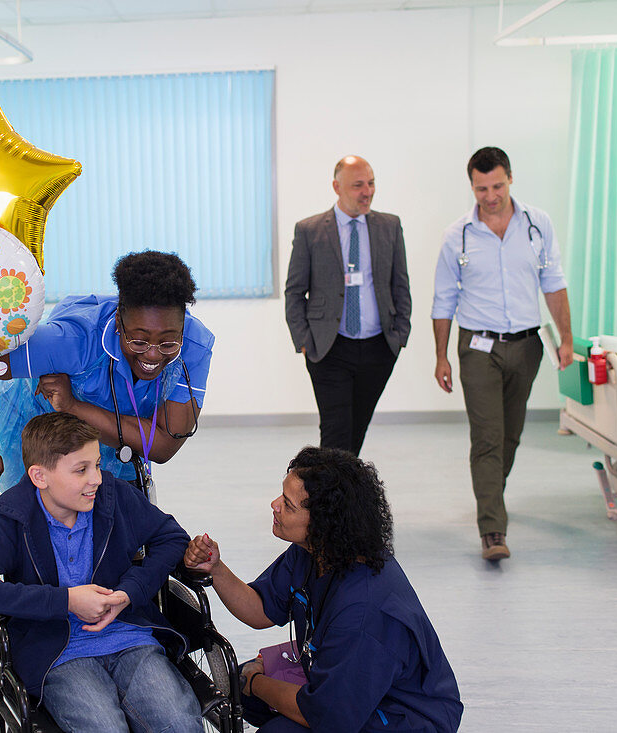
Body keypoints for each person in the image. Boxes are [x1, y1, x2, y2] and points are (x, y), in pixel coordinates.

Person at [185, 446, 462, 732]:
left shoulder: (365, 611)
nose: (274, 504)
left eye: (288, 505)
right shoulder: (313, 553)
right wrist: (215, 569)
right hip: (351, 689)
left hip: (403, 717)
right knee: (238, 685)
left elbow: (328, 717)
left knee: (272, 721)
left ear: (323, 523)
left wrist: (256, 684)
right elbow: (260, 608)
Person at [0, 412, 202, 733]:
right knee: (104, 728)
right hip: (58, 653)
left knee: (178, 723)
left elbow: (171, 538)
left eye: (97, 465)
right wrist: (67, 600)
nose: (96, 479)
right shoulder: (14, 518)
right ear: (40, 476)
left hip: (128, 636)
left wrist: (130, 591)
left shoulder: (113, 498)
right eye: (81, 470)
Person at [0, 250, 214, 492]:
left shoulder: (193, 346)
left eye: (168, 343)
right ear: (118, 322)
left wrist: (72, 406)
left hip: (111, 439)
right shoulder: (72, 341)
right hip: (41, 427)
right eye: (139, 340)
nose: (153, 354)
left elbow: (164, 445)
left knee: (119, 525)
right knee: (38, 518)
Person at [431, 146, 574, 561]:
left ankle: (492, 491)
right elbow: (443, 301)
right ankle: (492, 528)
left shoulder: (537, 224)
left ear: (509, 178)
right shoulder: (457, 234)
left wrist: (566, 337)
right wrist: (441, 357)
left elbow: (555, 282)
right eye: (480, 188)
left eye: (496, 186)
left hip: (527, 345)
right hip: (478, 348)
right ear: (471, 186)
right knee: (488, 437)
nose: (490, 196)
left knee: (510, 434)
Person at [285, 156, 411, 456]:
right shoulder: (310, 230)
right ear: (336, 187)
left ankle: (346, 497)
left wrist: (400, 334)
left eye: (371, 183)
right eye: (358, 185)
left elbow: (400, 283)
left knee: (356, 430)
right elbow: (294, 291)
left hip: (378, 347)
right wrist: (305, 342)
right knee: (335, 432)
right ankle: (332, 500)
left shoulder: (389, 226)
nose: (367, 191)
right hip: (330, 348)